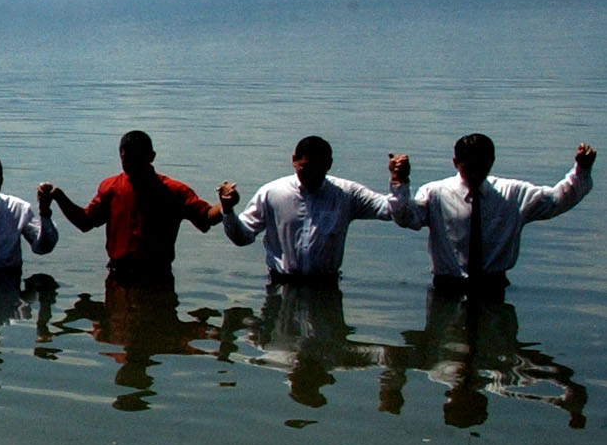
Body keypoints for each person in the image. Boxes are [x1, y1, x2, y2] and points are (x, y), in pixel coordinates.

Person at [387, 136, 594, 294]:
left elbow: (556, 201)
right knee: (446, 347)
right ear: (455, 162)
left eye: (482, 167)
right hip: (447, 287)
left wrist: (581, 171)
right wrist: (399, 181)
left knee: (496, 344)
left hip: (493, 286)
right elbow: (406, 218)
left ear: (492, 161)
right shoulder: (436, 193)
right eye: (469, 168)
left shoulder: (512, 194)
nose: (476, 174)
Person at [50, 130, 221, 281]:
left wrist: (225, 205)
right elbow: (85, 222)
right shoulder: (111, 188)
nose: (130, 164)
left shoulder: (174, 191)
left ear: (151, 157)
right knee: (116, 317)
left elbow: (206, 217)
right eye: (126, 159)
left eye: (137, 158)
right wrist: (58, 196)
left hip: (157, 277)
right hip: (118, 276)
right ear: (121, 156)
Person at [216, 135, 393, 281]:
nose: (313, 175)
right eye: (306, 168)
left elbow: (389, 210)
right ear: (294, 161)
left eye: (319, 168)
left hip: (326, 285)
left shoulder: (346, 194)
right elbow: (242, 238)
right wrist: (228, 210)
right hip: (282, 284)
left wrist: (398, 180)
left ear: (329, 164)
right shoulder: (272, 193)